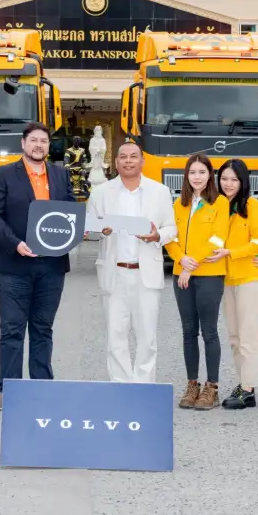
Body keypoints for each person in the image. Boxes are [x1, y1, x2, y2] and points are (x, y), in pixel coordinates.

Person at [0, 121, 75, 411]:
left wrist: (77, 229)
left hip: (51, 266)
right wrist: (15, 243)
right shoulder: (4, 174)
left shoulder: (60, 174)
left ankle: (42, 387)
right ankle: (8, 389)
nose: (38, 145)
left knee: (43, 328)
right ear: (23, 143)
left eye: (43, 141)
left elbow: (71, 211)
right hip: (14, 264)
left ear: (49, 146)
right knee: (12, 329)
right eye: (33, 140)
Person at [87, 141, 176, 383]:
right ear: (115, 162)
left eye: (133, 156)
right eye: (123, 156)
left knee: (147, 337)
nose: (128, 160)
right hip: (114, 272)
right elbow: (89, 230)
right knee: (115, 336)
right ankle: (120, 386)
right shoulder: (100, 193)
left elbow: (171, 227)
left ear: (142, 161)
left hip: (146, 274)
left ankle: (144, 387)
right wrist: (99, 230)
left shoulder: (159, 191)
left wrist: (158, 235)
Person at [165, 153, 230, 410]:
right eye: (192, 172)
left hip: (209, 274)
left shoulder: (220, 202)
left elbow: (217, 239)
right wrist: (181, 259)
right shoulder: (178, 204)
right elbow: (170, 238)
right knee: (188, 331)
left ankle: (211, 387)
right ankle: (192, 384)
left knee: (209, 331)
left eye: (202, 172)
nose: (197, 177)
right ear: (186, 176)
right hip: (182, 274)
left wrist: (189, 266)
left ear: (210, 175)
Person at [203, 159, 258, 409]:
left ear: (243, 182)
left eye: (234, 179)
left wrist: (230, 252)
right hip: (226, 279)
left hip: (249, 278)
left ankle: (248, 389)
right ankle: (243, 383)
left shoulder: (253, 206)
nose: (228, 184)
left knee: (248, 337)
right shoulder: (218, 206)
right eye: (224, 179)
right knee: (234, 336)